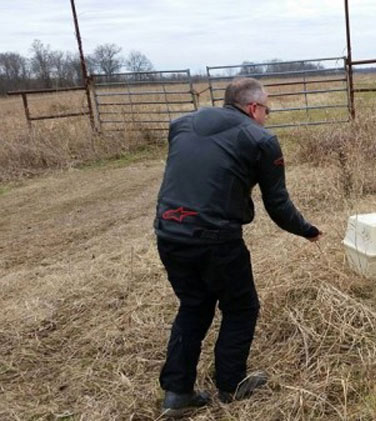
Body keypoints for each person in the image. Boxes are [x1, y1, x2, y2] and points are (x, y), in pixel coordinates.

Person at [153, 77, 322, 415]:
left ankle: (177, 393)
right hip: (216, 239)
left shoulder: (181, 125)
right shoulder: (261, 139)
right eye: (267, 110)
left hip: (169, 233)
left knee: (193, 306)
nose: (267, 118)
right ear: (253, 107)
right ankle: (232, 385)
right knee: (241, 307)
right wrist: (308, 230)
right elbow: (278, 205)